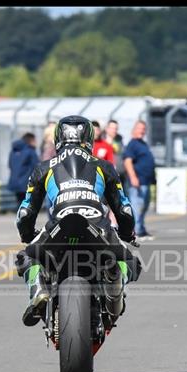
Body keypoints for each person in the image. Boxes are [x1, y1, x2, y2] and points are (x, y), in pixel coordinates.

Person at [15, 115, 137, 327]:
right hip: (98, 227)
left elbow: (25, 212)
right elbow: (124, 210)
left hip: (58, 226)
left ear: (58, 138)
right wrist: (127, 234)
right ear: (89, 138)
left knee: (26, 257)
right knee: (128, 260)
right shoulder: (104, 166)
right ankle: (114, 285)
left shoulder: (44, 168)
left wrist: (27, 236)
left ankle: (38, 290)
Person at [122, 120, 156, 240]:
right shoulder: (133, 144)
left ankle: (141, 229)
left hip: (146, 181)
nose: (142, 131)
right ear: (134, 130)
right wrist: (133, 177)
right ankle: (135, 232)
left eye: (143, 129)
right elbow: (127, 161)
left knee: (144, 206)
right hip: (137, 182)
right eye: (139, 128)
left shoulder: (143, 143)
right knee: (137, 206)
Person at [7, 132, 39, 206]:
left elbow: (9, 165)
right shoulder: (30, 151)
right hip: (27, 183)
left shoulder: (13, 151)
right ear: (31, 140)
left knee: (20, 204)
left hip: (15, 182)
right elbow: (37, 167)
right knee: (28, 206)